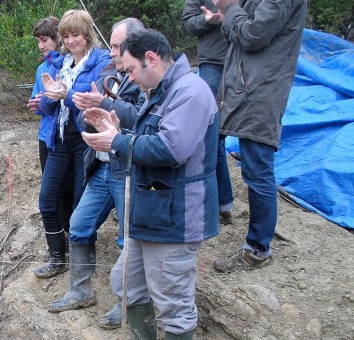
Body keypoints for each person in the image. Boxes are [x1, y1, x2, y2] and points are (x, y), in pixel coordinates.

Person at [82, 29, 219, 339]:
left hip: (175, 216)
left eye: (130, 70)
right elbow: (149, 141)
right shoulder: (161, 91)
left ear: (151, 58)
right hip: (150, 211)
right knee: (127, 286)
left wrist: (116, 142)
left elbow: (171, 150)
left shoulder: (190, 92)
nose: (129, 78)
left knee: (174, 307)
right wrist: (116, 130)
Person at [46, 18, 145, 331]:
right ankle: (80, 290)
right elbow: (88, 112)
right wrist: (80, 103)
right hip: (101, 165)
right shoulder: (108, 73)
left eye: (119, 46)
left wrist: (103, 105)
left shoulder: (144, 78)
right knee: (79, 224)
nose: (113, 52)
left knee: (126, 239)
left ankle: (125, 301)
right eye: (113, 46)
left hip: (128, 166)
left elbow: (141, 118)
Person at [211, 0, 308, 272]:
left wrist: (230, 7)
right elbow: (239, 32)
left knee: (258, 170)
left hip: (260, 91)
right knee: (252, 166)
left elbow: (252, 35)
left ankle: (257, 249)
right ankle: (251, 236)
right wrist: (227, 12)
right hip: (249, 88)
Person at [34, 9, 111, 278]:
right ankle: (57, 256)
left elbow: (93, 97)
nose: (71, 40)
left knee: (80, 205)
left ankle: (82, 267)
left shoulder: (101, 61)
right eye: (66, 36)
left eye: (75, 34)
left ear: (87, 34)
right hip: (59, 138)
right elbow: (46, 106)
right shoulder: (61, 62)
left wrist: (65, 93)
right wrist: (50, 94)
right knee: (46, 198)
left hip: (86, 140)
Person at [182, 0, 234, 225]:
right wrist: (206, 20)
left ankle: (221, 203)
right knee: (210, 133)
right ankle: (221, 204)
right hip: (213, 62)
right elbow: (188, 24)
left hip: (246, 59)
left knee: (238, 136)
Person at [26, 16, 74, 247]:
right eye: (38, 41)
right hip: (46, 136)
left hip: (69, 136)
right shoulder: (41, 69)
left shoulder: (70, 65)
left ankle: (71, 232)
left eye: (44, 40)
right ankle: (60, 239)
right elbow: (38, 104)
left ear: (57, 38)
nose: (41, 46)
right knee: (51, 189)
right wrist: (37, 103)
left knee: (69, 187)